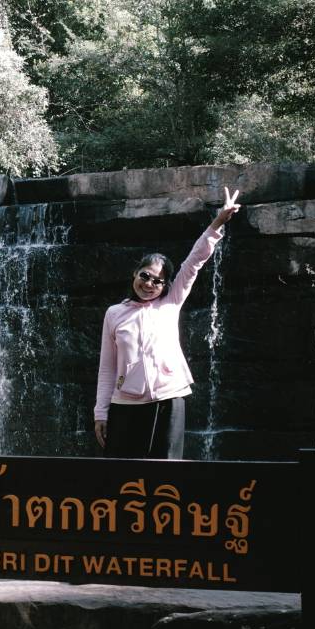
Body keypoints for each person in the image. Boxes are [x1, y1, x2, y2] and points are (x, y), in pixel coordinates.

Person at [93, 186, 242, 458]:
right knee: (121, 473)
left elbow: (194, 262)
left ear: (166, 286)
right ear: (135, 274)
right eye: (145, 276)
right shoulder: (114, 313)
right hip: (125, 404)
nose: (149, 284)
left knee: (166, 473)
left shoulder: (171, 302)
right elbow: (107, 369)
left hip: (169, 400)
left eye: (158, 281)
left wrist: (218, 221)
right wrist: (100, 413)